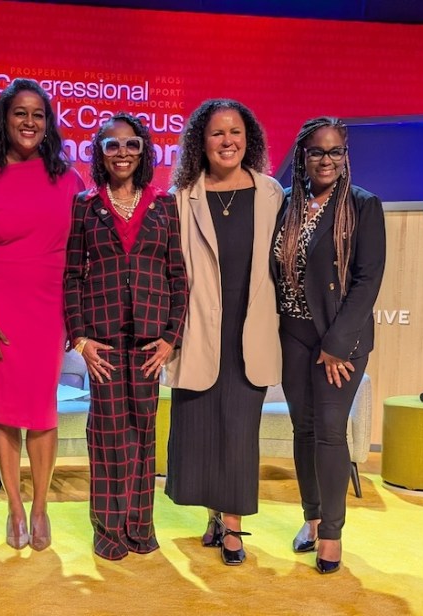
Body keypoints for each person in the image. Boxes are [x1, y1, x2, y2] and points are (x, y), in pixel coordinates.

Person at [0, 78, 83, 551]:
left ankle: (42, 505)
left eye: (38, 115)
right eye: (20, 113)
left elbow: (81, 252)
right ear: (3, 120)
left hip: (49, 310)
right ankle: (13, 507)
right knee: (4, 413)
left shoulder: (69, 180)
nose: (29, 122)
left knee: (42, 412)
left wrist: (77, 316)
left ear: (47, 125)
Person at [63, 113, 188, 560]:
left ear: (144, 151)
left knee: (142, 433)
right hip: (104, 343)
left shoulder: (164, 205)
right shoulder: (84, 205)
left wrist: (172, 338)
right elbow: (73, 276)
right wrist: (79, 338)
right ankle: (108, 529)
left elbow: (178, 276)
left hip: (151, 341)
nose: (122, 153)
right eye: (112, 145)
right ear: (98, 151)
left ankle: (140, 527)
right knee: (108, 435)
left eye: (131, 145)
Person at [164, 99, 283, 566]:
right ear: (201, 141)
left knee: (238, 433)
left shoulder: (271, 192)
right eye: (217, 133)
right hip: (198, 332)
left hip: (249, 332)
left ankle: (232, 527)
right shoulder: (181, 196)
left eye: (235, 132)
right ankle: (214, 515)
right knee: (201, 433)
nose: (227, 141)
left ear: (248, 138)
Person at [274, 116, 385, 575]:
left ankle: (333, 535)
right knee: (302, 429)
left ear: (346, 156)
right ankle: (312, 517)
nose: (326, 159)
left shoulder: (363, 206)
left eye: (335, 151)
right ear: (302, 156)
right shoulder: (286, 204)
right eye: (317, 151)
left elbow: (367, 279)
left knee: (329, 431)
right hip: (294, 334)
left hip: (340, 341)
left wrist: (337, 344)